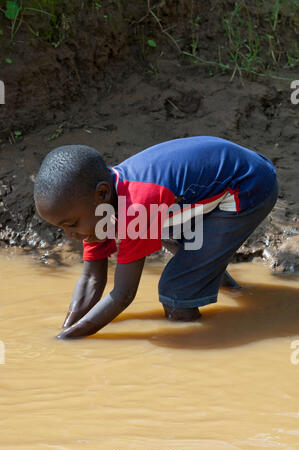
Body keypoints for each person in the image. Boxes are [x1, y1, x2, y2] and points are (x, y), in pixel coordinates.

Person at [33, 136, 278, 339]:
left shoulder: (136, 206)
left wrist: (68, 340)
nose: (71, 235)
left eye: (72, 224)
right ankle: (233, 290)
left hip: (249, 186)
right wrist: (67, 327)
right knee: (179, 245)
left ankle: (196, 343)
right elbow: (91, 279)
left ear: (102, 193)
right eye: (62, 228)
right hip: (203, 192)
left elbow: (123, 295)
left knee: (176, 292)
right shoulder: (99, 203)